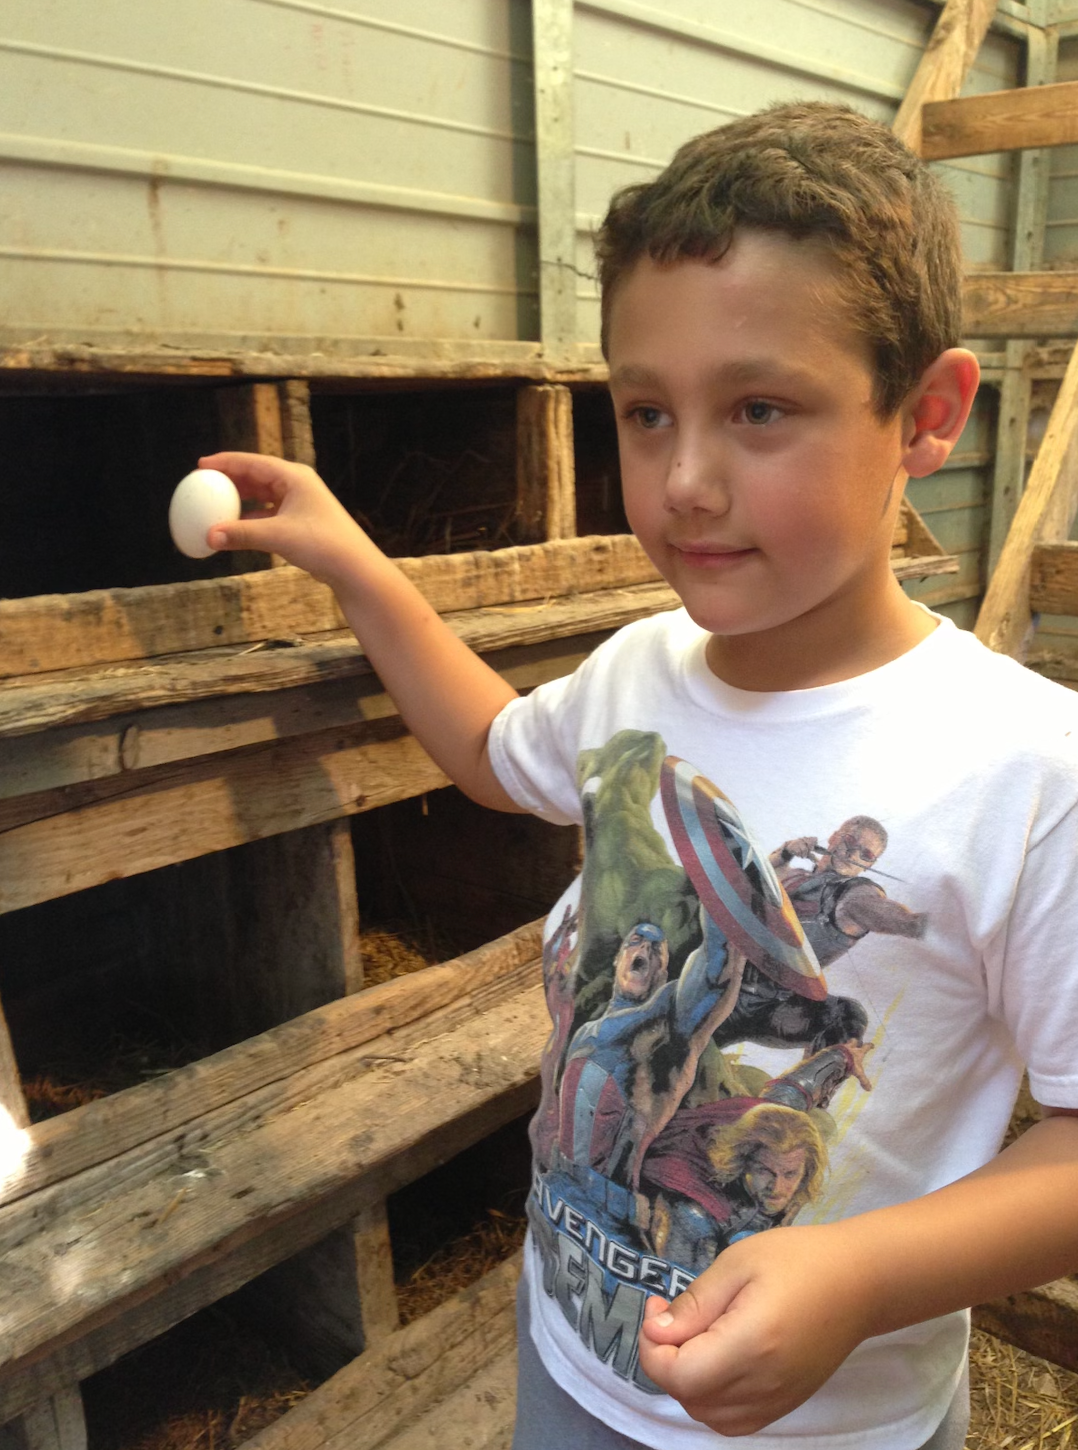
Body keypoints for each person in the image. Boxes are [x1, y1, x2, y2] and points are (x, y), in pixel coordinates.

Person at [197, 100, 1078, 1450]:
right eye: (645, 411)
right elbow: (496, 755)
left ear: (927, 414)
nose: (682, 481)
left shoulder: (1025, 770)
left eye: (759, 408)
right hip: (575, 1358)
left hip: (829, 1426)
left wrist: (857, 1276)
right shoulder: (637, 673)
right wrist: (356, 565)